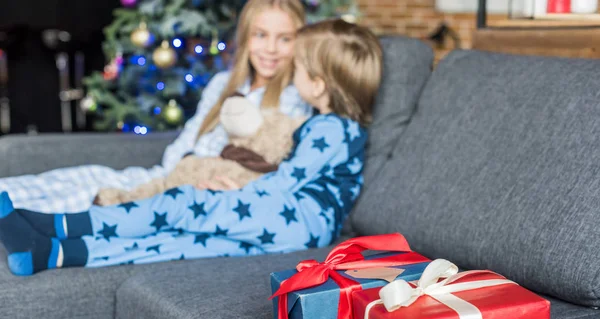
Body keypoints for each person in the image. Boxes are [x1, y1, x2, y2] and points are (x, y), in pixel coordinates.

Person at [0, 19, 383, 276]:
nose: (290, 70)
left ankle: (60, 224)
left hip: (293, 222)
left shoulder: (333, 129)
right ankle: (54, 253)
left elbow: (287, 183)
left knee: (182, 203)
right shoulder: (336, 129)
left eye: (298, 66)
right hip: (293, 227)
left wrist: (245, 192)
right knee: (184, 243)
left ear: (317, 84)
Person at [0, 0, 311, 213]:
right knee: (80, 176)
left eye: (284, 39)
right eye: (261, 35)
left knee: (82, 198)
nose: (270, 48)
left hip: (199, 194)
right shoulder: (223, 84)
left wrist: (239, 190)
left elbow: (281, 165)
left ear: (300, 42)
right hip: (168, 174)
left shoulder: (295, 98)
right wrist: (179, 165)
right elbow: (186, 141)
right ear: (246, 38)